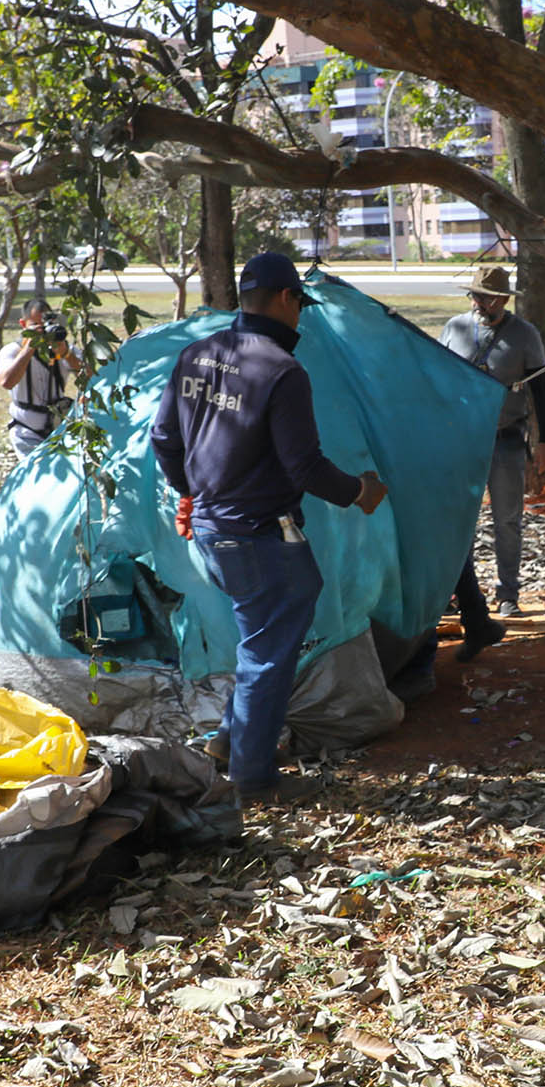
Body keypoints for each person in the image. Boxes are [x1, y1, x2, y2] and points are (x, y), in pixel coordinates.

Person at [149, 252, 387, 804]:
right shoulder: (281, 369)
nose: (300, 315)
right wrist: (359, 492)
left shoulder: (197, 354)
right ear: (285, 299)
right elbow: (304, 466)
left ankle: (232, 741)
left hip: (213, 530)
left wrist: (194, 492)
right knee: (269, 648)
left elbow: (163, 440)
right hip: (257, 533)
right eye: (300, 303)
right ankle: (251, 776)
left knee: (268, 634)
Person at [440, 264, 545, 622]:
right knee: (457, 519)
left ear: (504, 299)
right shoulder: (455, 328)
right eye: (475, 295)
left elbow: (540, 387)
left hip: (506, 438)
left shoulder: (524, 334)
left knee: (507, 521)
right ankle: (455, 591)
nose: (479, 302)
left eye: (486, 296)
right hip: (461, 441)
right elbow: (439, 380)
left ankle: (508, 593)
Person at [0, 296, 82, 457]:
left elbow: (92, 380)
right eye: (35, 326)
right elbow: (7, 382)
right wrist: (29, 347)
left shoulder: (64, 349)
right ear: (23, 325)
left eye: (46, 327)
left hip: (58, 429)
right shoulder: (11, 351)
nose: (42, 332)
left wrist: (66, 354)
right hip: (25, 431)